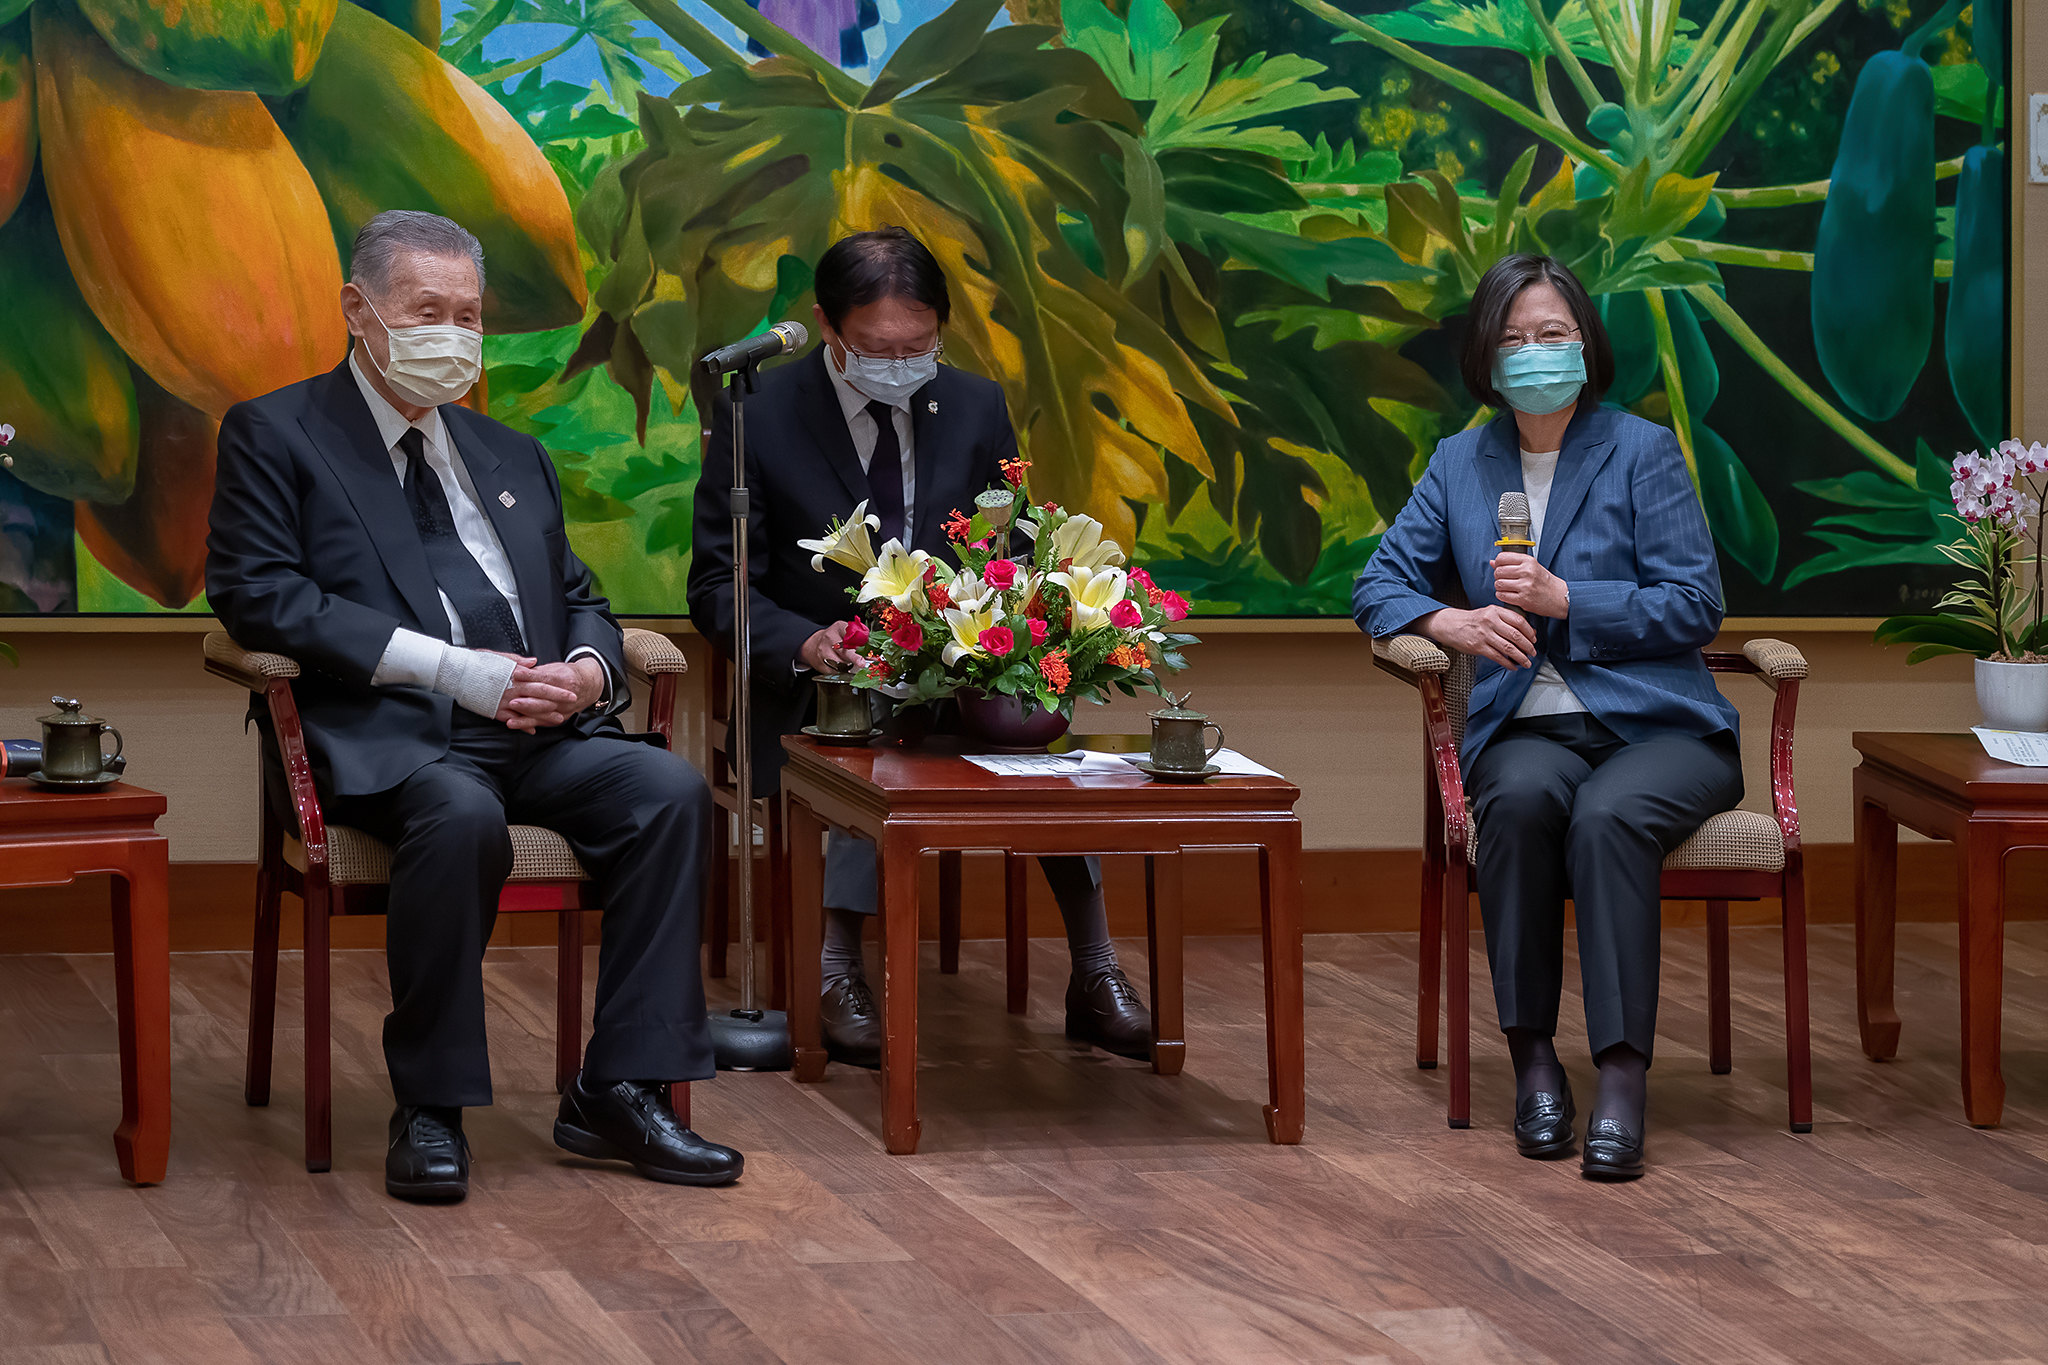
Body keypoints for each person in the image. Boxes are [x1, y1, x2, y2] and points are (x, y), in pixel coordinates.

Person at [207, 210, 743, 1202]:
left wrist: (584, 671)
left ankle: (618, 1090)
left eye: (469, 316)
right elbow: (261, 596)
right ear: (358, 313)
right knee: (461, 819)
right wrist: (455, 671)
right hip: (393, 737)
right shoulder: (276, 434)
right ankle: (431, 1105)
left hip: (538, 729)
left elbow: (576, 592)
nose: (452, 335)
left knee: (666, 792)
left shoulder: (509, 456)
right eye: (427, 311)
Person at [687, 226, 1152, 1065]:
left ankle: (1095, 970)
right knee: (876, 708)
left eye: (919, 345)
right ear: (829, 327)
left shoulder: (973, 403)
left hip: (958, 661)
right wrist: (807, 642)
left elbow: (1009, 547)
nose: (900, 363)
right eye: (877, 348)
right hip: (828, 681)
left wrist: (1014, 621)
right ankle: (837, 971)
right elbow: (718, 584)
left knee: (1040, 710)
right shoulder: (759, 412)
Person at [1353, 253, 1742, 1180]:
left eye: (1553, 334)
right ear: (1487, 359)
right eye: (1514, 339)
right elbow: (1376, 584)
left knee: (1609, 819)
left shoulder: (1642, 450)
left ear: (1585, 344)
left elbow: (1697, 603)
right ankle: (1534, 1062)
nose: (1535, 353)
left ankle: (1620, 1079)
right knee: (1520, 807)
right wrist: (1452, 620)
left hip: (1661, 729)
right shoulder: (1460, 462)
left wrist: (1571, 600)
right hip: (1524, 729)